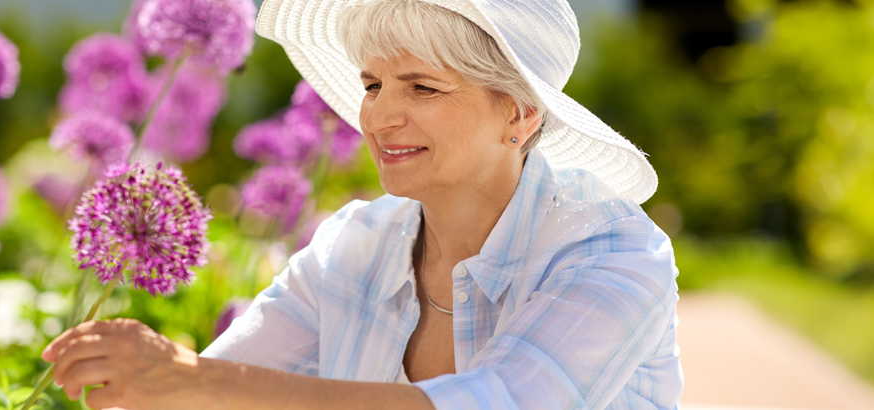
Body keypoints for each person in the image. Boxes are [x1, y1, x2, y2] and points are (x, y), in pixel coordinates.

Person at [37, 0, 681, 408]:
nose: (378, 115)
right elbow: (220, 386)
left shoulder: (616, 255)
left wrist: (194, 381)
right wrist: (141, 379)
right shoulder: (353, 245)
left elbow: (499, 403)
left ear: (518, 113)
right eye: (373, 83)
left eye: (423, 87)